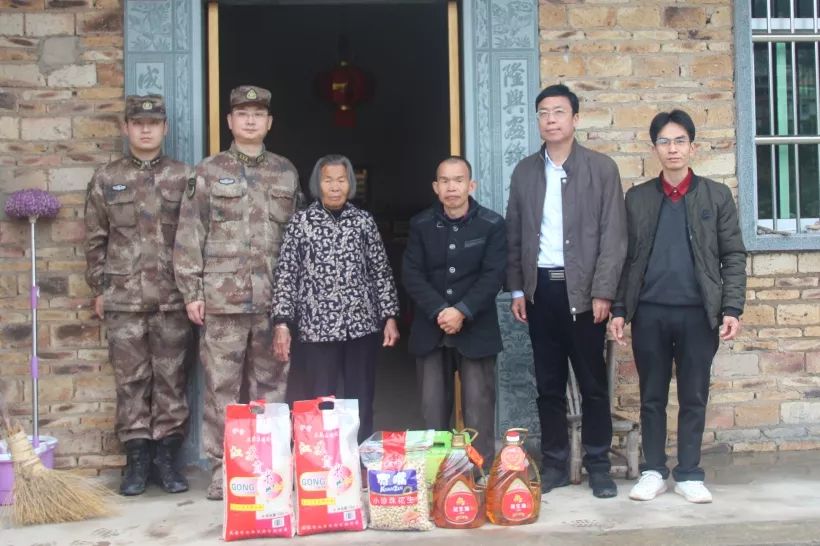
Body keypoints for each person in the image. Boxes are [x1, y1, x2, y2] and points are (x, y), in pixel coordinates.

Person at [610, 110, 746, 504]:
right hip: (650, 312)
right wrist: (620, 309)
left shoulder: (715, 196)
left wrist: (732, 308)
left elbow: (733, 255)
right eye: (665, 142)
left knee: (694, 395)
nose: (673, 148)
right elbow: (624, 259)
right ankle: (653, 470)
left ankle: (689, 473)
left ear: (692, 146)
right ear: (654, 148)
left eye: (680, 140)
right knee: (651, 396)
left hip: (698, 313)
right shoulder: (637, 198)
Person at [173, 85, 303, 500]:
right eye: (242, 114)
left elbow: (298, 239)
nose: (250, 120)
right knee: (221, 389)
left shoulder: (286, 171)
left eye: (258, 114)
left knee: (271, 387)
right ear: (229, 122)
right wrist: (191, 289)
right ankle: (222, 467)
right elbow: (190, 233)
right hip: (221, 301)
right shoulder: (208, 171)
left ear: (269, 123)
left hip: (273, 303)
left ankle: (268, 463)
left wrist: (296, 298)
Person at [505, 84, 627, 499]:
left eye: (558, 112)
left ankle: (598, 464)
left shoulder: (601, 169)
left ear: (575, 118)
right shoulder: (524, 172)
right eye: (543, 113)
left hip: (586, 294)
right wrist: (517, 289)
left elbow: (614, 237)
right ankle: (556, 463)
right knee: (549, 384)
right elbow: (515, 236)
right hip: (542, 292)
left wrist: (603, 292)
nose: (551, 119)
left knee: (593, 384)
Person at [84, 94, 192, 496]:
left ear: (164, 128)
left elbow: (195, 238)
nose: (145, 129)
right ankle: (136, 460)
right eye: (138, 122)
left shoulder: (185, 177)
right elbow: (95, 239)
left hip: (172, 299)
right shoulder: (105, 178)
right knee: (130, 381)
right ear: (126, 128)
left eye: (153, 122)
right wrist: (100, 287)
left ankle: (167, 459)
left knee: (171, 378)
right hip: (124, 299)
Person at [272, 154, 400, 443]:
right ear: (318, 184)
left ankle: (360, 456)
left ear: (350, 183)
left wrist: (389, 316)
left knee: (361, 396)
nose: (334, 186)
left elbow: (380, 270)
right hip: (316, 328)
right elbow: (287, 274)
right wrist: (282, 322)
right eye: (328, 180)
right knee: (320, 398)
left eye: (341, 180)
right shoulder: (301, 222)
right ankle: (322, 458)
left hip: (361, 326)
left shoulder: (363, 222)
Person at [402, 156, 506, 468]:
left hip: (476, 329)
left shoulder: (491, 224)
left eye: (458, 180)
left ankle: (480, 474)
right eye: (445, 181)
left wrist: (462, 310)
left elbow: (494, 275)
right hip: (431, 329)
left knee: (478, 410)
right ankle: (439, 478)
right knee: (433, 410)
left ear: (471, 185)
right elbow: (412, 274)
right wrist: (439, 310)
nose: (452, 187)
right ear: (436, 187)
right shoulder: (420, 225)